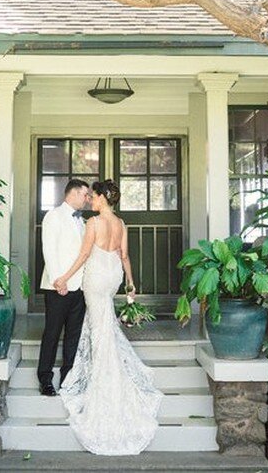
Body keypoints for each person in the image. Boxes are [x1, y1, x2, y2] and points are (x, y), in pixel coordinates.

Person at [53, 179, 163, 455]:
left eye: (94, 196)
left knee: (99, 325)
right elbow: (124, 255)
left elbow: (84, 254)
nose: (90, 200)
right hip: (113, 275)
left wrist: (64, 277)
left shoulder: (93, 223)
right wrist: (131, 283)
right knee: (104, 324)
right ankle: (108, 369)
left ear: (102, 197)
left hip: (97, 277)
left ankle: (105, 382)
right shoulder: (122, 224)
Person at [37, 178, 91, 397]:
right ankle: (45, 379)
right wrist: (58, 280)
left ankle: (68, 377)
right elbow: (48, 250)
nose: (88, 199)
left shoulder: (83, 221)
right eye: (85, 195)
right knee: (52, 333)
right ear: (74, 193)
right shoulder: (54, 216)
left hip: (79, 288)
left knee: (73, 334)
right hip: (57, 287)